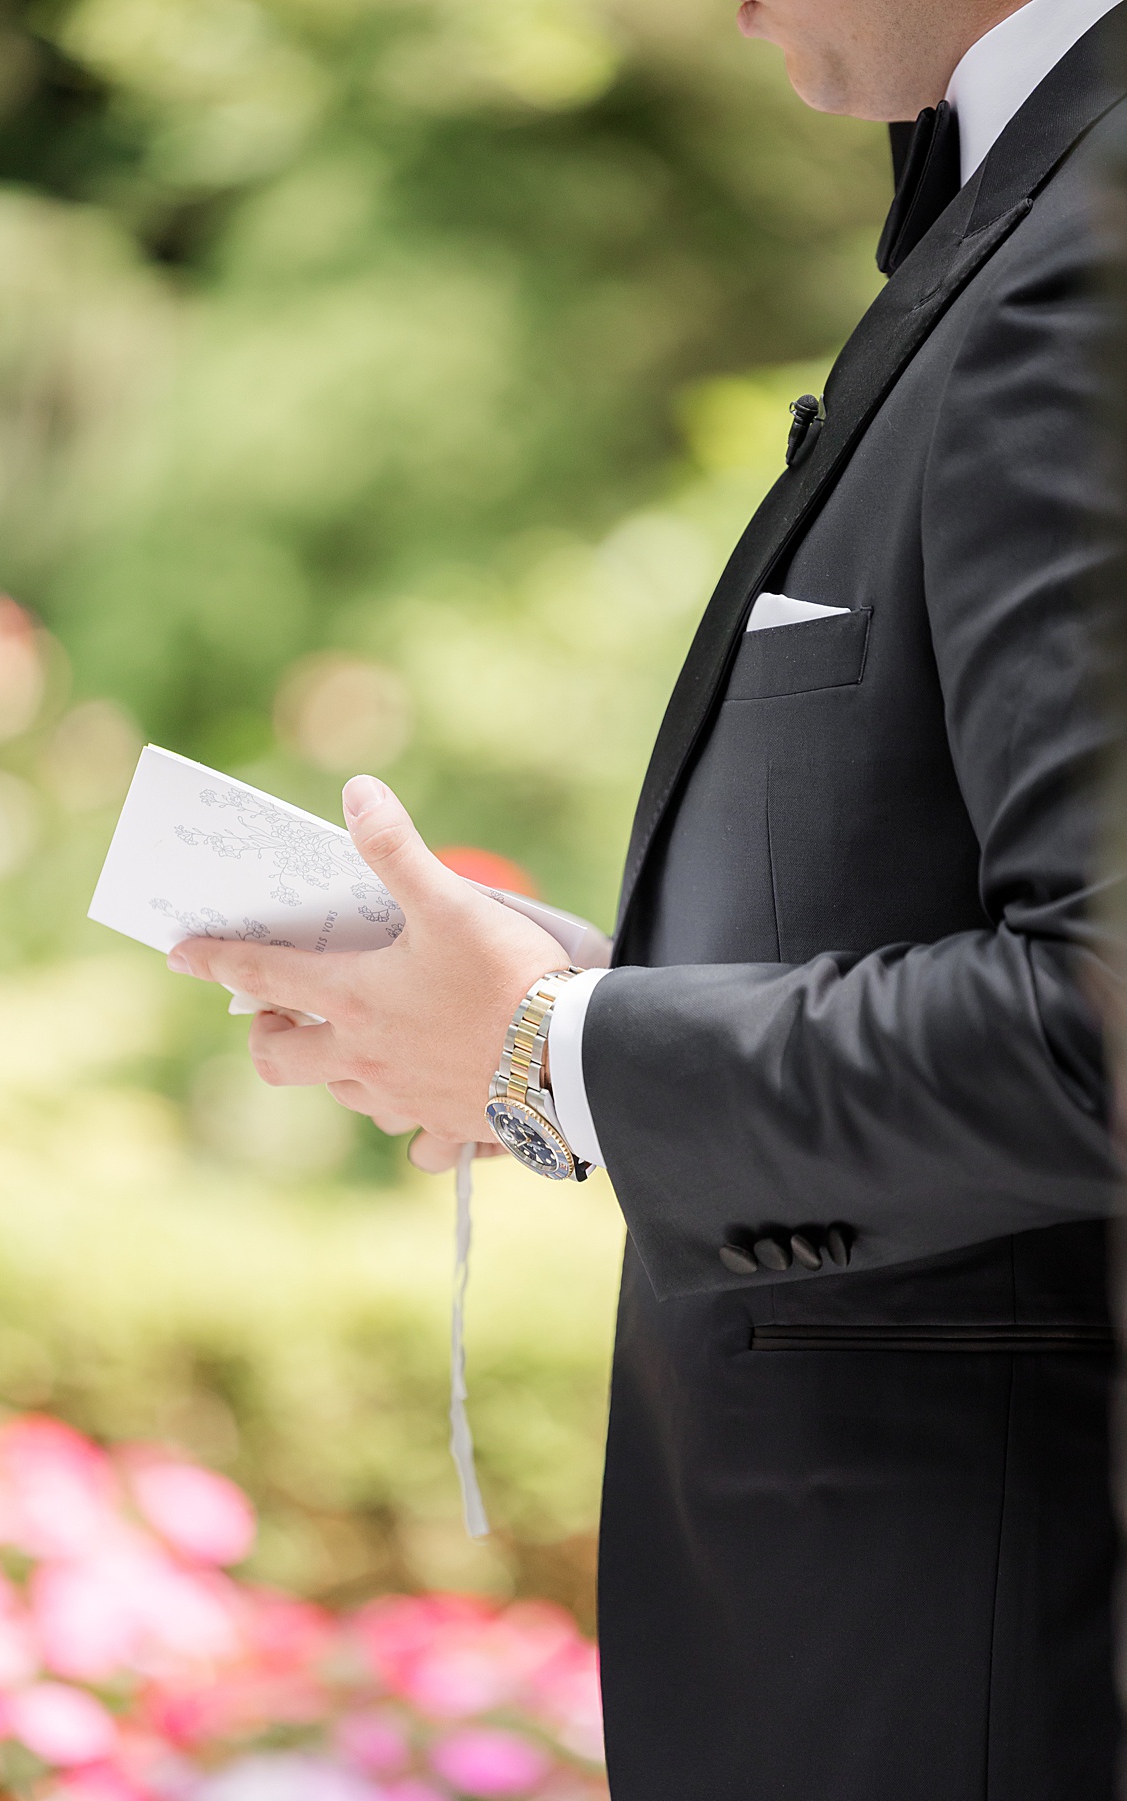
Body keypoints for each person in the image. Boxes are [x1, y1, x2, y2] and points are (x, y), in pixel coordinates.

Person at [169, 0, 1124, 1794]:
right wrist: (567, 997)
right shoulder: (1018, 197)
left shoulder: (1093, 249)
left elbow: (1095, 1023)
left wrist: (556, 1054)